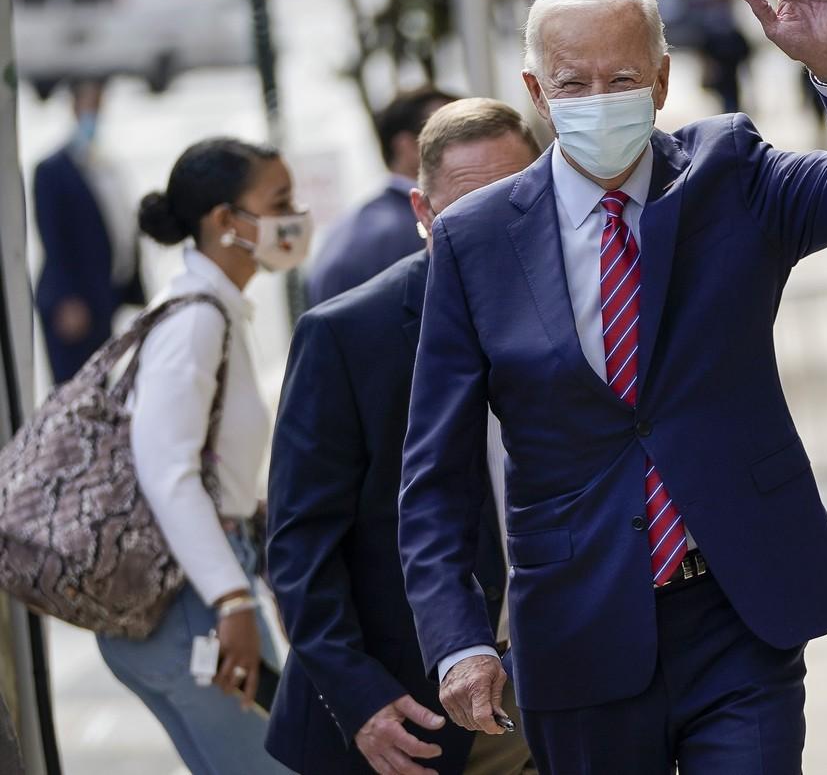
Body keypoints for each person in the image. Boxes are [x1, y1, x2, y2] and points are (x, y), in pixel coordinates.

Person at [398, 0, 827, 775]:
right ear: (537, 92)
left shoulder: (733, 172)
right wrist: (457, 638)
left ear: (661, 81)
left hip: (736, 608)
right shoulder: (474, 238)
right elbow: (433, 472)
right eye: (574, 82)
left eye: (622, 76)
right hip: (579, 628)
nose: (598, 96)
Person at [265, 99, 540, 775]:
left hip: (553, 691)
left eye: (520, 200)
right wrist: (359, 698)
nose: (499, 228)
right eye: (470, 211)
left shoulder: (581, 306)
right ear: (423, 213)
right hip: (402, 716)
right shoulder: (348, 335)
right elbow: (300, 548)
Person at [98, 137, 313, 775]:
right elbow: (168, 473)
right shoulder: (193, 321)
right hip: (192, 601)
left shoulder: (214, 309)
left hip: (207, 587)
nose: (294, 216)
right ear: (226, 221)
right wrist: (231, 601)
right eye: (279, 202)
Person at [32, 77, 146, 384]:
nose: (93, 112)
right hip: (73, 302)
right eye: (87, 103)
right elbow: (52, 237)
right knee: (74, 391)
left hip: (102, 294)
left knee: (100, 386)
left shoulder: (104, 165)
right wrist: (67, 298)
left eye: (98, 103)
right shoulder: (52, 170)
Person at [306, 87, 455, 306]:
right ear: (406, 147)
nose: (471, 146)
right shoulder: (419, 228)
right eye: (452, 135)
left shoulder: (349, 227)